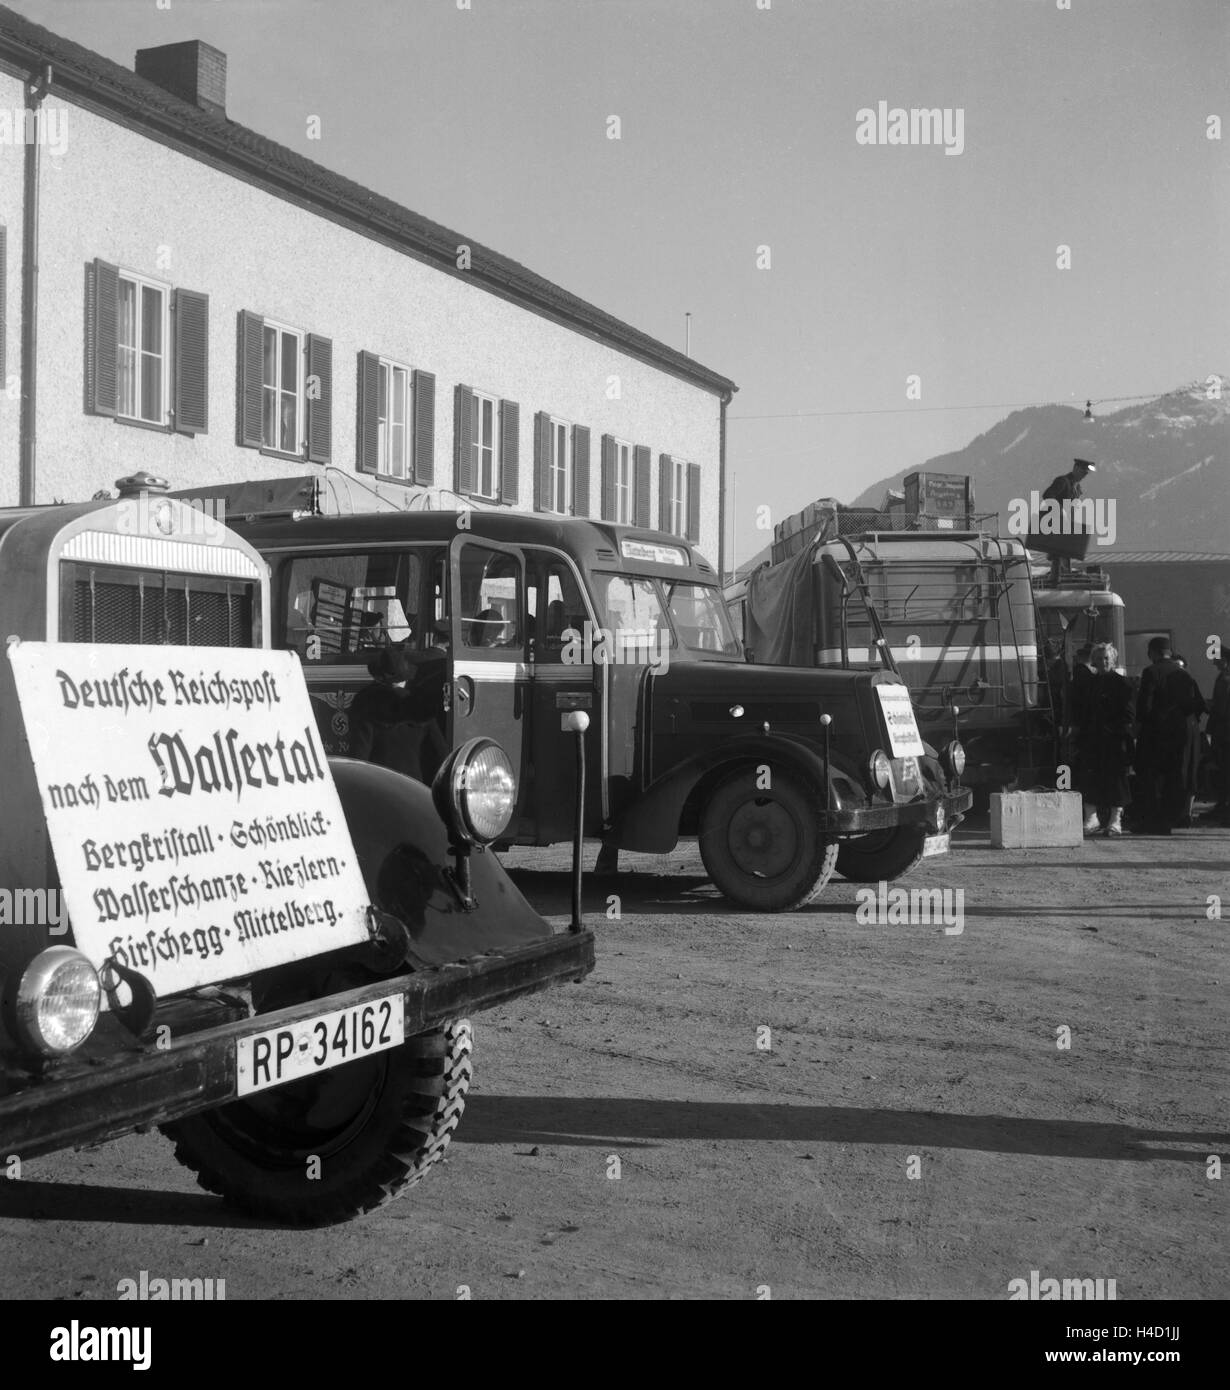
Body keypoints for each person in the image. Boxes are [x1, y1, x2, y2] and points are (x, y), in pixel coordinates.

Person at [1132, 636, 1206, 834]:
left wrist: (1140, 727)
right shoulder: (1184, 675)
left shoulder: (1151, 672)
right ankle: (1168, 819)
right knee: (1173, 778)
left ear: (1153, 653)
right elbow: (1198, 704)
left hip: (1155, 735)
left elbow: (1144, 706)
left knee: (1150, 778)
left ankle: (1152, 821)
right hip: (1179, 735)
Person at [349, 643, 447, 784]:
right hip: (414, 787)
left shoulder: (364, 703)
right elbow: (440, 753)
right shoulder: (420, 704)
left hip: (378, 786)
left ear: (378, 677)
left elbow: (359, 754)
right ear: (406, 679)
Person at [1072, 643, 1133, 835]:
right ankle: (1091, 818)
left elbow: (1129, 715)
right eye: (1098, 659)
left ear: (1113, 660)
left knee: (1116, 779)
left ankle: (1115, 821)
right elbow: (1081, 712)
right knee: (1089, 777)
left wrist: (1114, 730)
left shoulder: (1123, 684)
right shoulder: (1088, 684)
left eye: (1106, 658)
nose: (1102, 662)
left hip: (1114, 740)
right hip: (1091, 739)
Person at [1040, 458, 1095, 583]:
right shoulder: (1063, 482)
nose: (1084, 475)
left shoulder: (1077, 487)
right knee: (1058, 554)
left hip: (1066, 526)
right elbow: (1048, 495)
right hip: (1057, 524)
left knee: (1065, 553)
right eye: (1082, 471)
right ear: (1075, 468)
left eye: (1086, 473)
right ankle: (1056, 579)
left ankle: (1062, 577)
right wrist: (1059, 511)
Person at [1199, 643, 1230, 825]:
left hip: (1224, 732)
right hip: (1223, 731)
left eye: (1217, 660)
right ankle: (1223, 805)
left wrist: (1209, 706)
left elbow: (1222, 708)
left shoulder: (1225, 679)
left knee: (1224, 769)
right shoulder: (1223, 678)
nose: (1214, 663)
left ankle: (1224, 806)